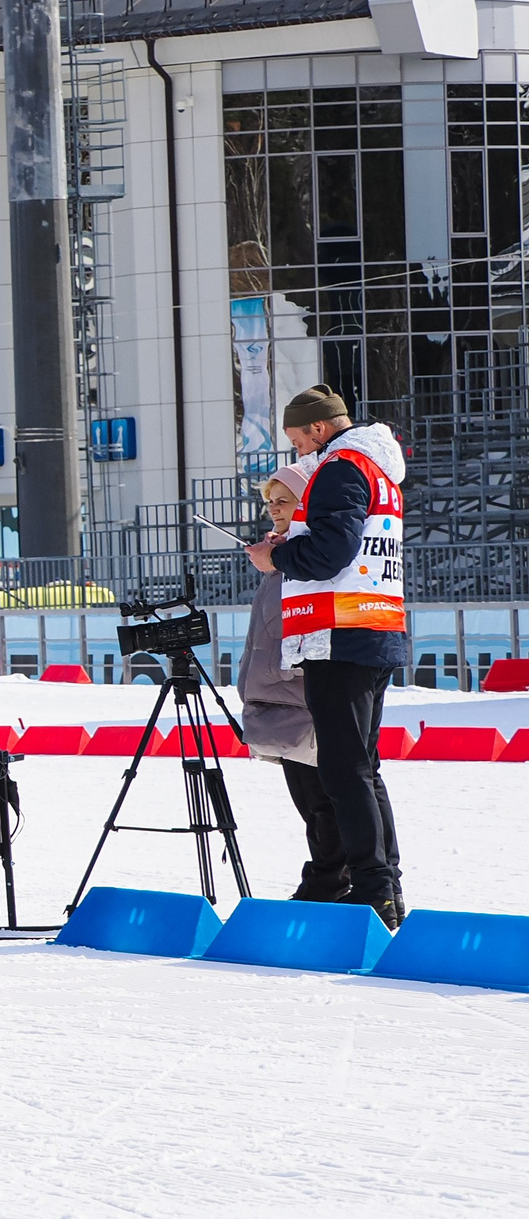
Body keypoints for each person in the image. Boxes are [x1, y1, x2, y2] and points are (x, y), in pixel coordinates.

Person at [246, 385, 407, 928]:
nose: (296, 452)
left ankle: (371, 890)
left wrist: (277, 555)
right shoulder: (380, 471)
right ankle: (385, 886)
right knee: (363, 767)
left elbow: (329, 551)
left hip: (338, 634)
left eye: (296, 439)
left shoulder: (339, 467)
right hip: (373, 627)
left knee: (343, 770)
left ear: (319, 428)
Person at [236, 462, 341, 903]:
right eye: (270, 502)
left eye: (284, 501)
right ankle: (326, 879)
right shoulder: (278, 557)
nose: (274, 510)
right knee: (310, 805)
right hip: (277, 704)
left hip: (305, 699)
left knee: (325, 804)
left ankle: (328, 882)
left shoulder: (306, 556)